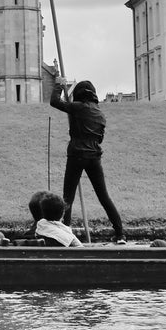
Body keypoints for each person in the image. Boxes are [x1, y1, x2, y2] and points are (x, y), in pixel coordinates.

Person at [49, 78, 126, 242]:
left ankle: (66, 233)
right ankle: (120, 233)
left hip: (76, 155)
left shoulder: (78, 107)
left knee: (68, 197)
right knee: (104, 196)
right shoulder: (100, 114)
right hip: (94, 157)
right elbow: (100, 139)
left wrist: (58, 85)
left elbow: (54, 102)